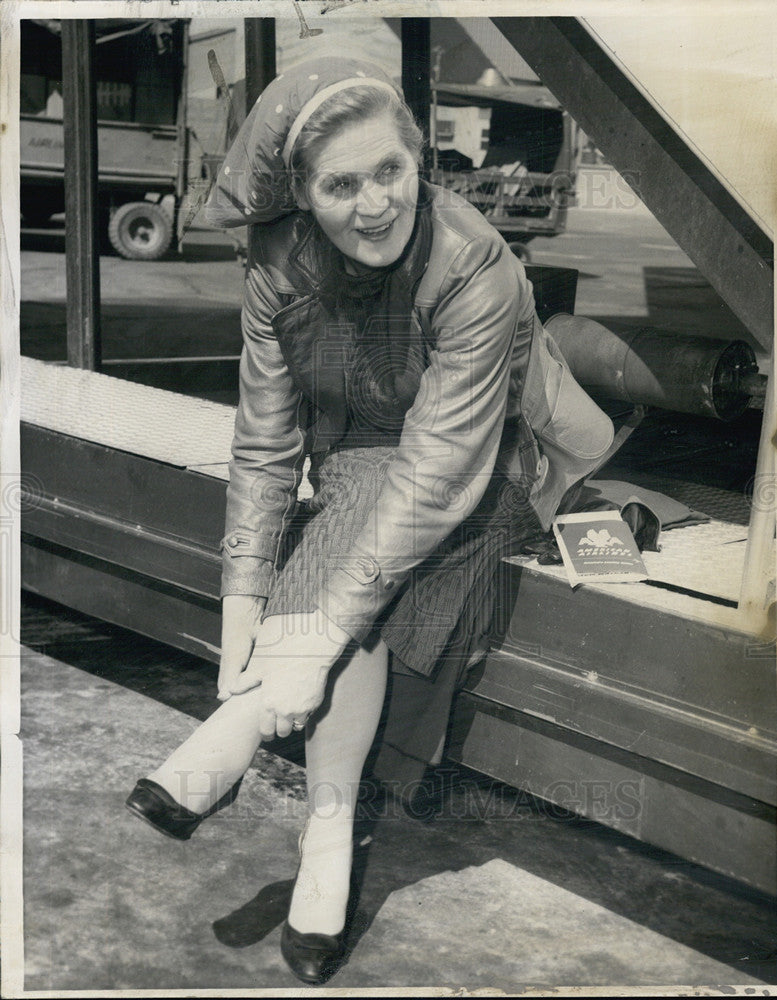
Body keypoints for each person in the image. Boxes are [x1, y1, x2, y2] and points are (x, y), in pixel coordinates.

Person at [125, 57, 614, 985]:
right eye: (340, 185)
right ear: (301, 197)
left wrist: (296, 654)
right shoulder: (275, 263)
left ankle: (252, 749)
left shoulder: (474, 261)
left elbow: (440, 470)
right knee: (355, 511)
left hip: (487, 457)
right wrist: (241, 606)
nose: (374, 203)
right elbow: (268, 443)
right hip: (365, 471)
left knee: (363, 534)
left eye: (389, 172)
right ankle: (328, 835)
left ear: (419, 163)